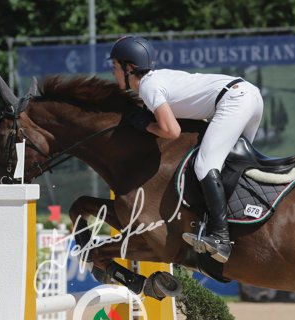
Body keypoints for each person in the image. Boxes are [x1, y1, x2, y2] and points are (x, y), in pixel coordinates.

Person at [109, 35, 264, 263]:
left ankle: (221, 238)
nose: (112, 72)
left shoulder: (148, 87)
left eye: (115, 66)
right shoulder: (158, 79)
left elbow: (171, 131)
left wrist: (146, 125)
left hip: (235, 100)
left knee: (205, 165)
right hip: (249, 95)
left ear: (129, 68)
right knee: (232, 164)